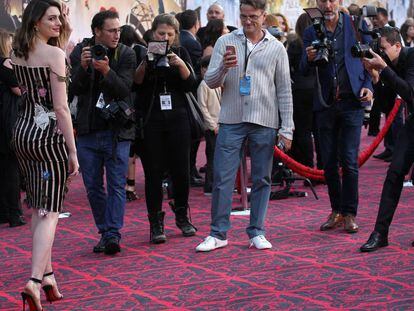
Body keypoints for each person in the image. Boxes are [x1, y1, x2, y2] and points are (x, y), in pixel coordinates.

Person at [196, 0, 294, 252]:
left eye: (253, 16)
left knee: (261, 178)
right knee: (222, 177)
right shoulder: (225, 42)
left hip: (265, 120)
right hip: (231, 119)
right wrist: (223, 68)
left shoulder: (276, 48)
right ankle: (218, 233)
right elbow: (210, 81)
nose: (248, 21)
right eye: (243, 16)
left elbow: (284, 90)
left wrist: (287, 128)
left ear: (264, 16)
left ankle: (257, 231)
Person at [11, 0, 78, 310]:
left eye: (59, 18)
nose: (58, 24)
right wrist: (72, 150)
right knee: (49, 211)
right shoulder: (55, 55)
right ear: (36, 21)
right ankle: (34, 281)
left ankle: (48, 276)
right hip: (48, 138)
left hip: (22, 134)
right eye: (52, 18)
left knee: (38, 206)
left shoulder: (17, 52)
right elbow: (61, 108)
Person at [301, 0, 373, 233]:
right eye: (323, 0)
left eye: (332, 0)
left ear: (339, 2)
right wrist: (309, 58)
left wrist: (369, 85)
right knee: (329, 163)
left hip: (352, 102)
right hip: (325, 104)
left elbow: (371, 61)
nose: (328, 4)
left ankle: (350, 213)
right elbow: (302, 68)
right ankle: (337, 210)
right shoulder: (312, 30)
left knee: (350, 161)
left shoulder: (356, 25)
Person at [69, 10, 136, 255]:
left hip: (116, 130)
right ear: (97, 31)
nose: (117, 35)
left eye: (119, 30)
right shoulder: (81, 51)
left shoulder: (126, 53)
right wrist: (84, 67)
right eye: (111, 30)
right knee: (93, 187)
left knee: (117, 184)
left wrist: (107, 71)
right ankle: (105, 230)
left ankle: (111, 234)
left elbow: (124, 90)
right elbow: (73, 89)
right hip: (88, 129)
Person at [134, 13, 197, 244]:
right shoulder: (142, 53)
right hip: (152, 119)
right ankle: (155, 222)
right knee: (153, 172)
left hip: (178, 117)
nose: (166, 38)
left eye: (170, 34)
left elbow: (192, 84)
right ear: (152, 33)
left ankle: (182, 215)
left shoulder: (181, 53)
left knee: (181, 170)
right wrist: (147, 60)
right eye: (162, 33)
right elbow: (136, 83)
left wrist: (180, 64)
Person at [359, 27, 414, 252]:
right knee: (394, 174)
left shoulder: (412, 57)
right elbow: (386, 106)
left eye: (382, 49)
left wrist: (384, 70)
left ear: (397, 46)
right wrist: (376, 78)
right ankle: (380, 233)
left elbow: (410, 93)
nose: (379, 54)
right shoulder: (388, 64)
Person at [0, 28, 26, 228]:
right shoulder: (6, 64)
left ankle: (3, 212)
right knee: (10, 168)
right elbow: (20, 90)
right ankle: (14, 213)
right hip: (6, 121)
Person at [177, 9, 204, 187]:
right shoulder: (192, 44)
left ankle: (189, 170)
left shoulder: (183, 40)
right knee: (193, 136)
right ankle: (188, 170)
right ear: (196, 24)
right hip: (190, 93)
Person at [119, 24, 145, 202]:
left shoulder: (119, 53)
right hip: (141, 103)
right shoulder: (142, 50)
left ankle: (130, 185)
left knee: (130, 148)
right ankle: (131, 184)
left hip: (126, 102)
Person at [287, 13, 315, 169]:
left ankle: (308, 166)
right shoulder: (319, 44)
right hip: (318, 89)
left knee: (303, 130)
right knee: (320, 131)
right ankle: (323, 167)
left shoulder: (295, 44)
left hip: (300, 90)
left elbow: (287, 68)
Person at [197, 55, 221, 195]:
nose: (208, 71)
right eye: (205, 68)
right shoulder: (203, 85)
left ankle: (215, 184)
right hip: (211, 127)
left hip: (218, 124)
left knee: (217, 157)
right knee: (211, 158)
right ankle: (209, 185)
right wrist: (212, 125)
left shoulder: (215, 84)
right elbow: (202, 107)